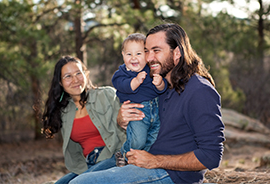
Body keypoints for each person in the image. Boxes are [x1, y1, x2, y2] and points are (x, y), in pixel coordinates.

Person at [69, 23, 225, 184]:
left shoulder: (199, 91)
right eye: (146, 51)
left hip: (170, 174)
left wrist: (155, 161)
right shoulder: (156, 85)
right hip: (139, 161)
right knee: (68, 181)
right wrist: (122, 120)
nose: (149, 58)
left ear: (177, 52)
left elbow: (212, 156)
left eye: (156, 51)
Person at [41, 56, 126, 184]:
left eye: (78, 73)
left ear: (85, 74)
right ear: (60, 82)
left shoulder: (107, 95)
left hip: (113, 158)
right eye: (68, 76)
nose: (75, 80)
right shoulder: (64, 112)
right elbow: (75, 151)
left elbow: (125, 130)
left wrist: (127, 158)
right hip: (89, 165)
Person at [112, 33, 167, 166]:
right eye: (129, 54)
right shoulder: (122, 73)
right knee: (138, 141)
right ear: (123, 55)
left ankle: (138, 161)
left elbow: (162, 90)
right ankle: (124, 154)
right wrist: (136, 81)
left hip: (156, 110)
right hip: (138, 112)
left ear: (147, 56)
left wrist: (160, 84)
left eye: (138, 54)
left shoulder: (151, 70)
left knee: (154, 139)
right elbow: (123, 86)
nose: (133, 58)